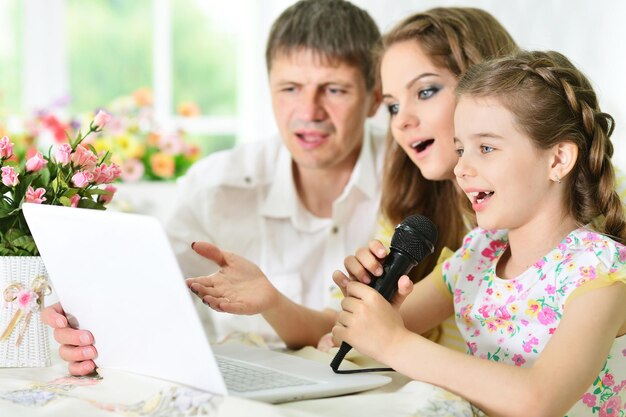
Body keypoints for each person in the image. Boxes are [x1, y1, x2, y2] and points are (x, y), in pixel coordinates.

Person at [42, 0, 384, 375]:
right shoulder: (216, 186)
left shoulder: (413, 177)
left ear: (374, 99)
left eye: (335, 90)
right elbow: (149, 295)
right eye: (290, 88)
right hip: (248, 390)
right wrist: (90, 325)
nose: (309, 111)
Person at [332, 50, 626, 417]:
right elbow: (348, 342)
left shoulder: (600, 275)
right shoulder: (478, 255)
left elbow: (538, 400)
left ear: (558, 160)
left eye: (486, 148)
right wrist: (374, 306)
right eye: (460, 149)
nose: (461, 168)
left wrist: (394, 342)